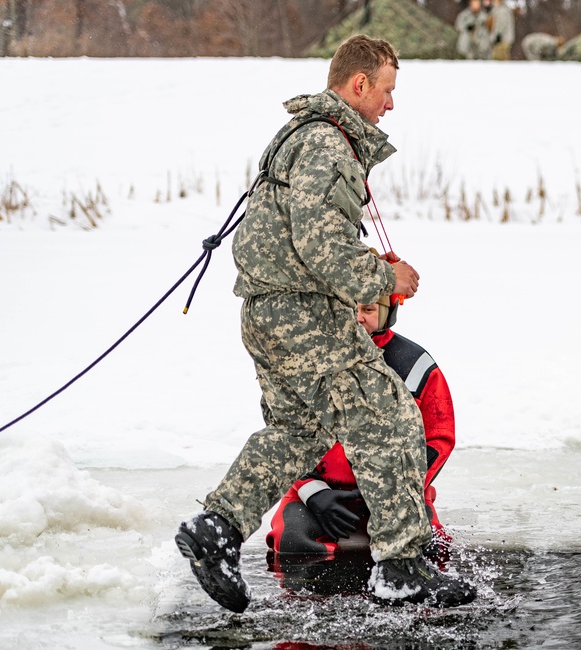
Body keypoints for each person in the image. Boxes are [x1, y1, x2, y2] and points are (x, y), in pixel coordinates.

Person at [174, 34, 476, 613]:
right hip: (306, 315)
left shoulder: (302, 138)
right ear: (358, 84)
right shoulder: (325, 145)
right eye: (387, 91)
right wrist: (388, 280)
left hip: (268, 311)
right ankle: (402, 567)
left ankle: (215, 530)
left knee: (298, 432)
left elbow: (304, 237)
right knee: (388, 416)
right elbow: (324, 246)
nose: (391, 105)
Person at [265, 296, 457, 560]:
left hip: (399, 494)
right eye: (349, 310)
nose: (357, 318)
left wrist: (397, 491)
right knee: (293, 543)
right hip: (323, 491)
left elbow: (439, 438)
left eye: (368, 310)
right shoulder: (303, 358)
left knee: (430, 549)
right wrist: (313, 492)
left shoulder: (415, 364)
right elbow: (284, 433)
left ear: (387, 313)